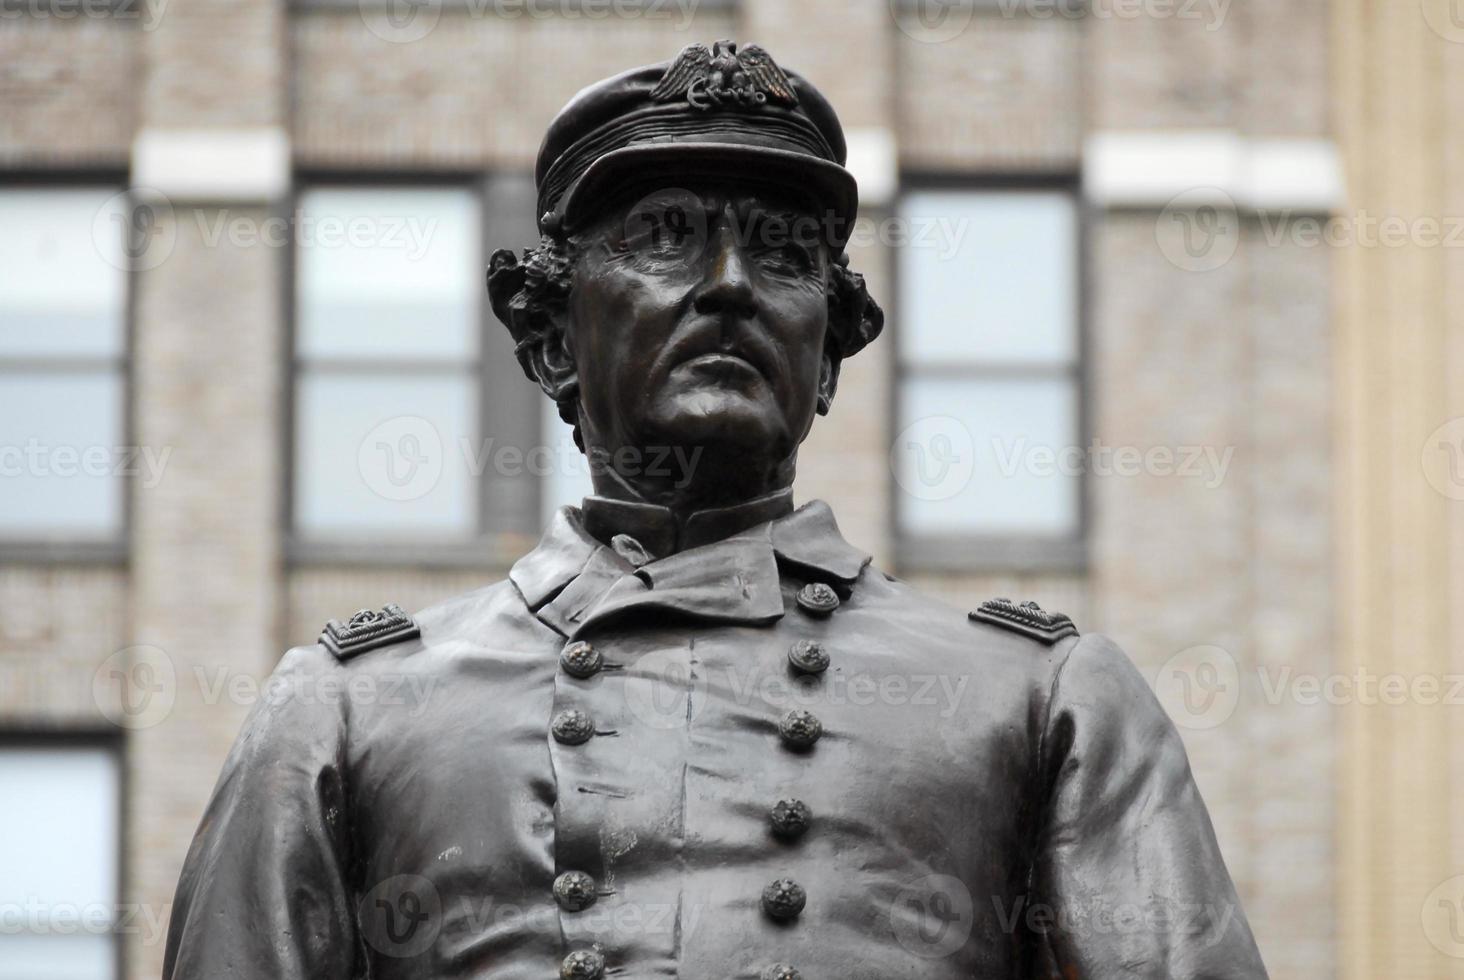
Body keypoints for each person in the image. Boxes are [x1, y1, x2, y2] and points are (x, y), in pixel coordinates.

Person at [163, 40, 1268, 980]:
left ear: (826, 356)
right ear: (550, 335)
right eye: (663, 236)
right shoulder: (351, 709)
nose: (732, 281)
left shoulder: (1038, 696)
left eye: (784, 254)